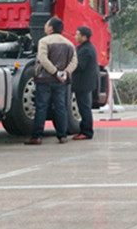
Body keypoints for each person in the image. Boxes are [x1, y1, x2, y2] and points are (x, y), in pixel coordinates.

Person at [25, 17, 77, 145]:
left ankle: (37, 136)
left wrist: (54, 72)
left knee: (41, 107)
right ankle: (62, 135)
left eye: (47, 25)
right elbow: (74, 61)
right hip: (61, 81)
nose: (45, 27)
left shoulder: (44, 41)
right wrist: (65, 72)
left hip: (44, 79)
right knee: (61, 107)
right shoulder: (69, 43)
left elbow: (43, 59)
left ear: (51, 28)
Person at [72, 26, 98, 140]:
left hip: (83, 84)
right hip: (84, 83)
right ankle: (83, 130)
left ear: (84, 37)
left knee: (84, 108)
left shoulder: (86, 50)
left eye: (77, 34)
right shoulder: (85, 48)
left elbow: (80, 66)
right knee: (83, 108)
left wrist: (69, 65)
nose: (75, 36)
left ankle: (87, 132)